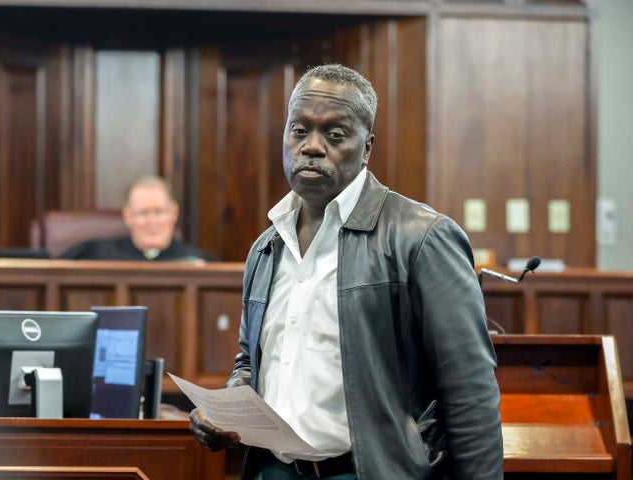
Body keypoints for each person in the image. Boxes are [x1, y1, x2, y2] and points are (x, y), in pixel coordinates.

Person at [189, 64, 503, 479]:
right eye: (299, 131)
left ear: (367, 146)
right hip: (275, 470)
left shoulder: (422, 237)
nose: (312, 147)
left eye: (334, 135)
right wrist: (227, 408)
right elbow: (252, 361)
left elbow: (471, 390)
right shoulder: (267, 246)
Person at [59, 175, 214, 262]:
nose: (152, 222)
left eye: (159, 212)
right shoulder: (94, 253)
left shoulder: (198, 261)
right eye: (143, 213)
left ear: (174, 213)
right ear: (128, 216)